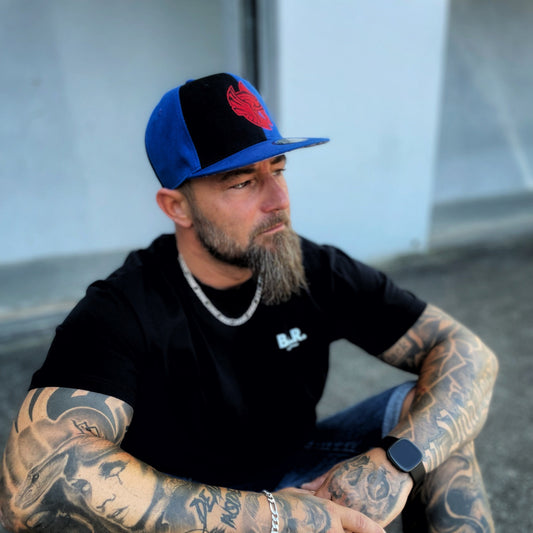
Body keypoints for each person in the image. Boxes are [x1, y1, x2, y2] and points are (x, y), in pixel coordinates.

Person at [0, 72, 498, 533]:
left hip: (296, 470)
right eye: (242, 182)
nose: (278, 199)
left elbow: (468, 352)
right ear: (177, 206)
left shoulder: (312, 267)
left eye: (278, 169)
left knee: (434, 424)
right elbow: (32, 488)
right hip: (190, 513)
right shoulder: (122, 309)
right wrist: (280, 518)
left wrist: (395, 462)